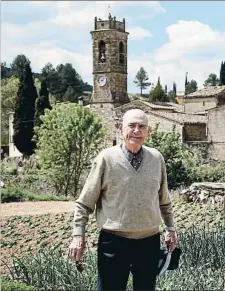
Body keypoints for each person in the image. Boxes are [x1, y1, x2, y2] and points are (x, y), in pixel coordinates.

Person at [68, 109, 178, 291]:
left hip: (149, 242)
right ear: (120, 128)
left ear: (148, 132)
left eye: (142, 126)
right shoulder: (106, 159)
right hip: (114, 242)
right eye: (131, 125)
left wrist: (171, 229)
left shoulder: (157, 159)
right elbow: (84, 203)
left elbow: (164, 201)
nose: (137, 130)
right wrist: (78, 236)